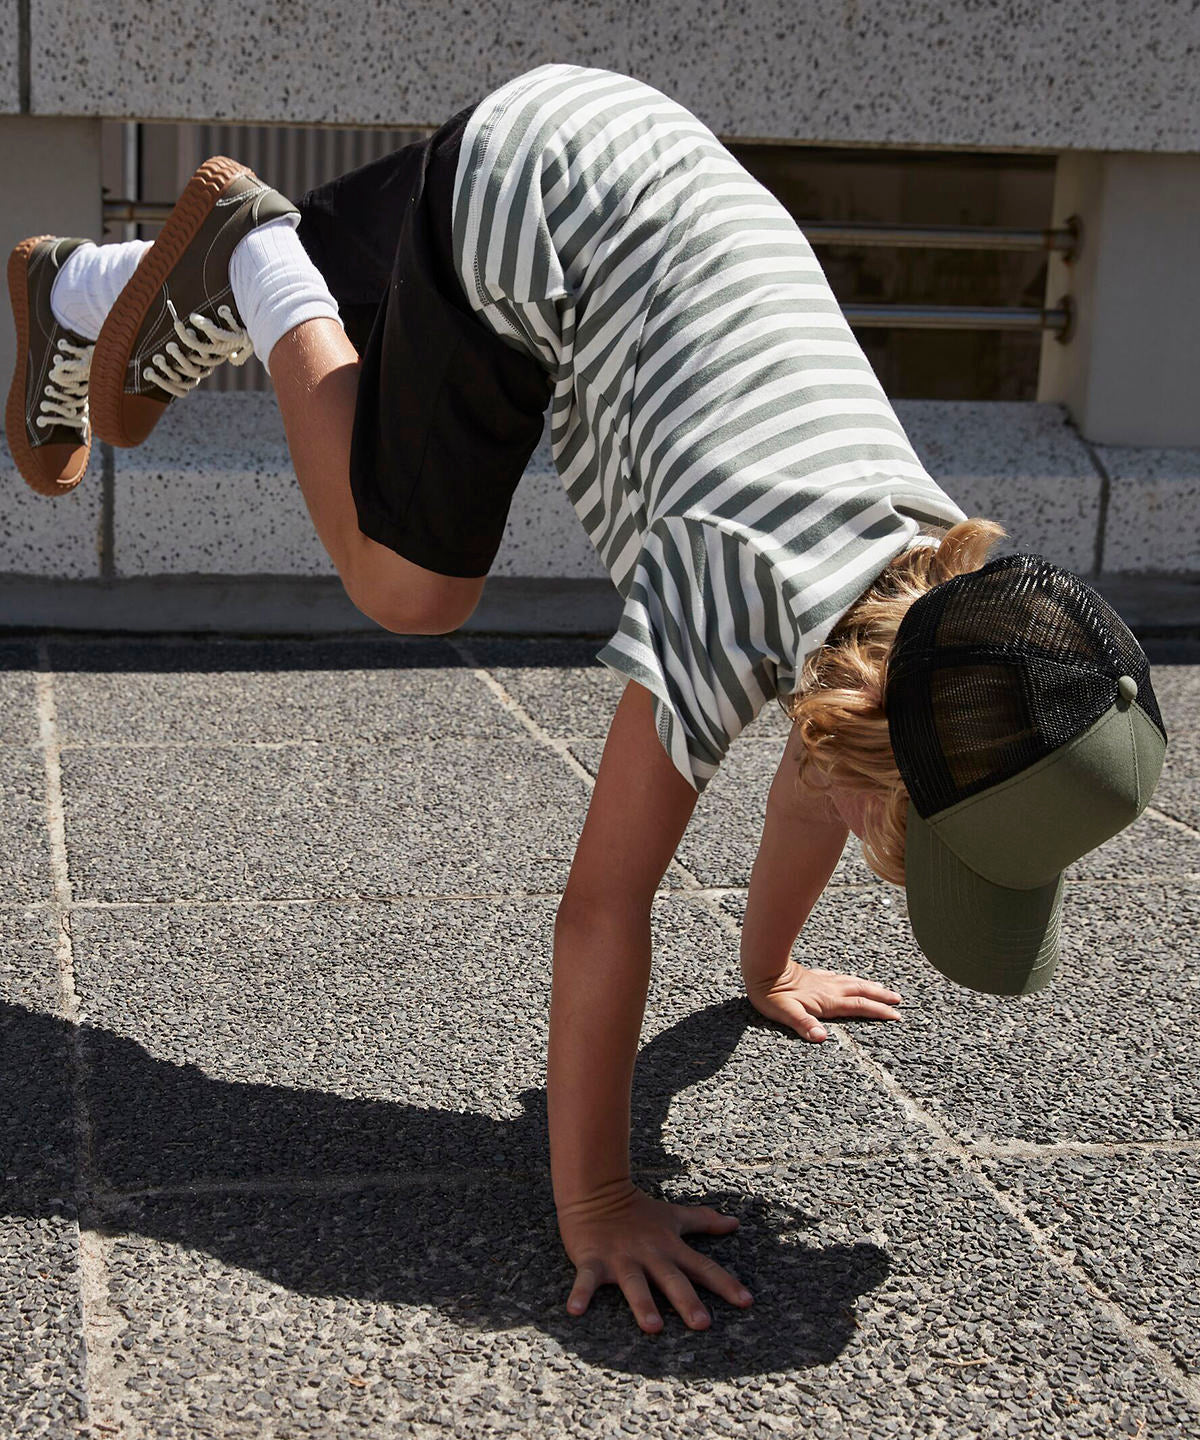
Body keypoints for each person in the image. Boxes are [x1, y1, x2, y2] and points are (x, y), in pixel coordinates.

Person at [5, 63, 1167, 1335]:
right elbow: (603, 910)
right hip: (532, 222)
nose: (890, 862)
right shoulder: (735, 586)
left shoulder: (932, 589)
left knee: (353, 312)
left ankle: (80, 291)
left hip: (630, 156)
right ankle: (248, 248)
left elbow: (822, 783)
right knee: (410, 584)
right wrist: (600, 1201)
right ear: (867, 730)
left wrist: (768, 968)